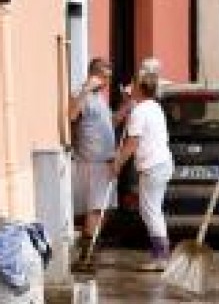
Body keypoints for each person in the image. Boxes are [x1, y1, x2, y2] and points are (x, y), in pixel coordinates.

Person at [111, 73, 174, 271]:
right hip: (162, 162)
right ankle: (160, 255)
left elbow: (132, 143)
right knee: (153, 210)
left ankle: (161, 258)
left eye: (134, 85)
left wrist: (117, 163)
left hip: (152, 166)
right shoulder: (154, 107)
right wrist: (130, 103)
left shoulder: (140, 111)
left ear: (139, 89)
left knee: (151, 211)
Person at [68, 57, 118, 266]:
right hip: (92, 163)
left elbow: (110, 122)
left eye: (109, 78)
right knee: (95, 209)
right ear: (94, 75)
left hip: (106, 162)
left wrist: (127, 106)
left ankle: (89, 249)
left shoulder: (101, 99)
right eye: (104, 77)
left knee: (104, 210)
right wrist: (86, 90)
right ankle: (85, 257)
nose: (107, 82)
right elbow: (71, 115)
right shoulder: (83, 95)